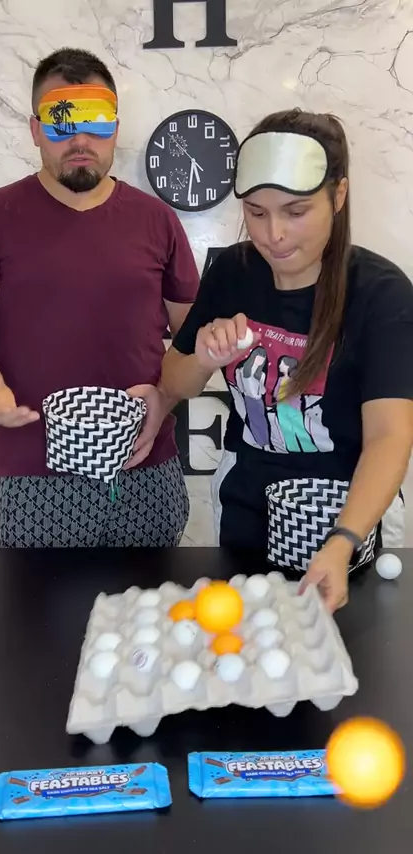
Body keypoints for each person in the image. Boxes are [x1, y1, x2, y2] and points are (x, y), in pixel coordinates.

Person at [0, 48, 199, 548]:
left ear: (115, 128)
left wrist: (164, 399)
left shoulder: (157, 220)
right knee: (37, 602)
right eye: (61, 123)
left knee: (155, 599)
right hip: (34, 477)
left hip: (145, 466)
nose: (80, 141)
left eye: (95, 122)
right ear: (36, 130)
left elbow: (194, 338)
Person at [157, 108, 413, 611]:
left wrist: (342, 541)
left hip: (347, 517)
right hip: (245, 510)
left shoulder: (382, 294)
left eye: (295, 212)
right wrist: (205, 355)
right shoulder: (232, 272)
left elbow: (390, 435)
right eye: (256, 212)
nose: (273, 233)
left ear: (338, 195)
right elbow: (175, 382)